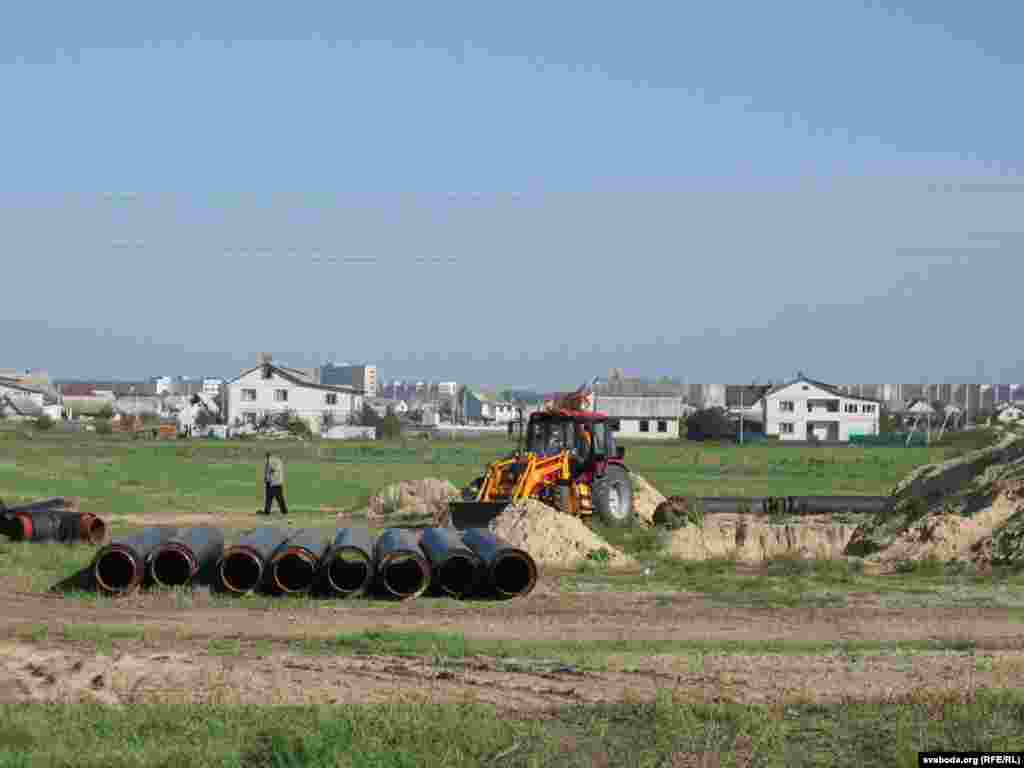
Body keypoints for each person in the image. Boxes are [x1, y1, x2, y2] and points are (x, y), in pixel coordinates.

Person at [263, 452, 288, 516]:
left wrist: (267, 478)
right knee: (280, 497)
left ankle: (267, 511)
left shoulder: (271, 461)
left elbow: (272, 470)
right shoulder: (278, 461)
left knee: (269, 497)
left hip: (272, 482)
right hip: (278, 482)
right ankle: (284, 511)